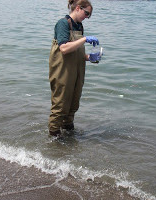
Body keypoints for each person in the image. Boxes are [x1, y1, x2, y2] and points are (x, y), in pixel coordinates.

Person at [48, 0, 101, 137]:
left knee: (73, 104)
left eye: (89, 15)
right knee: (60, 105)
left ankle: (69, 136)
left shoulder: (79, 26)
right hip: (62, 71)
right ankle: (53, 140)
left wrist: (89, 57)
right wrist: (84, 40)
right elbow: (64, 48)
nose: (87, 17)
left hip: (76, 71)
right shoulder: (63, 24)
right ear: (78, 8)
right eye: (87, 13)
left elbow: (75, 52)